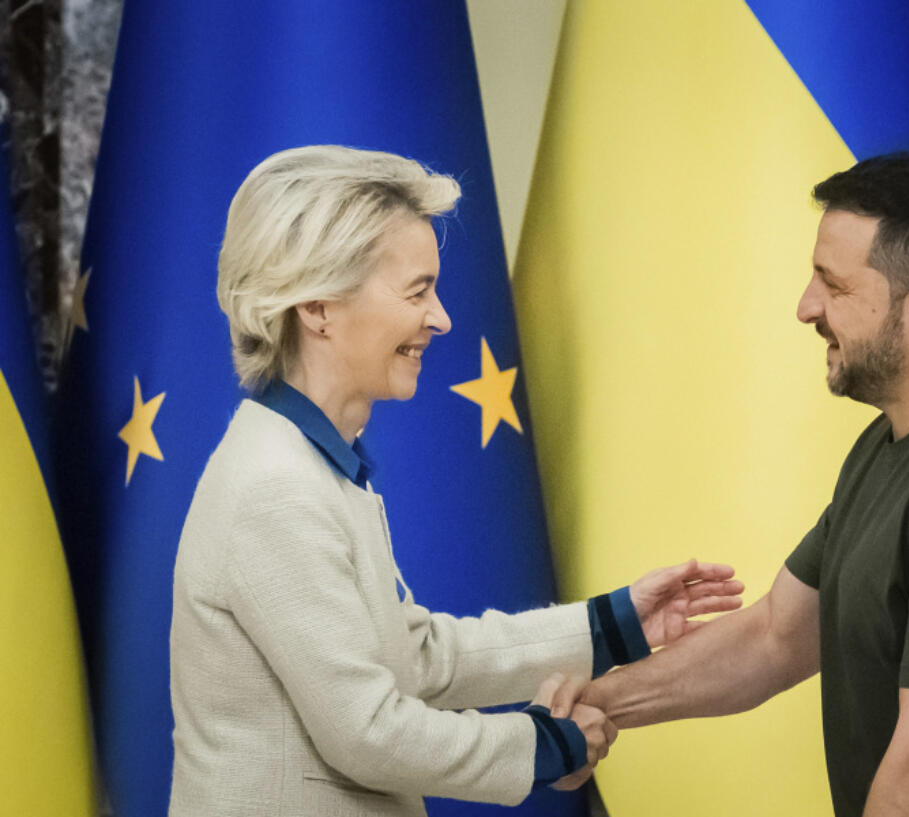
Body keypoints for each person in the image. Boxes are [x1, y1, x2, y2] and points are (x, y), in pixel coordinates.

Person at [167, 145, 743, 817]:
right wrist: (546, 744)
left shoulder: (309, 466)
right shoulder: (277, 488)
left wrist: (612, 625)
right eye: (418, 291)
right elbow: (368, 731)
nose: (440, 318)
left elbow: (417, 657)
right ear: (318, 306)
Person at [551, 152, 909, 817]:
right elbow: (777, 635)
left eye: (833, 285)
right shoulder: (897, 440)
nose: (806, 306)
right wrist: (597, 707)